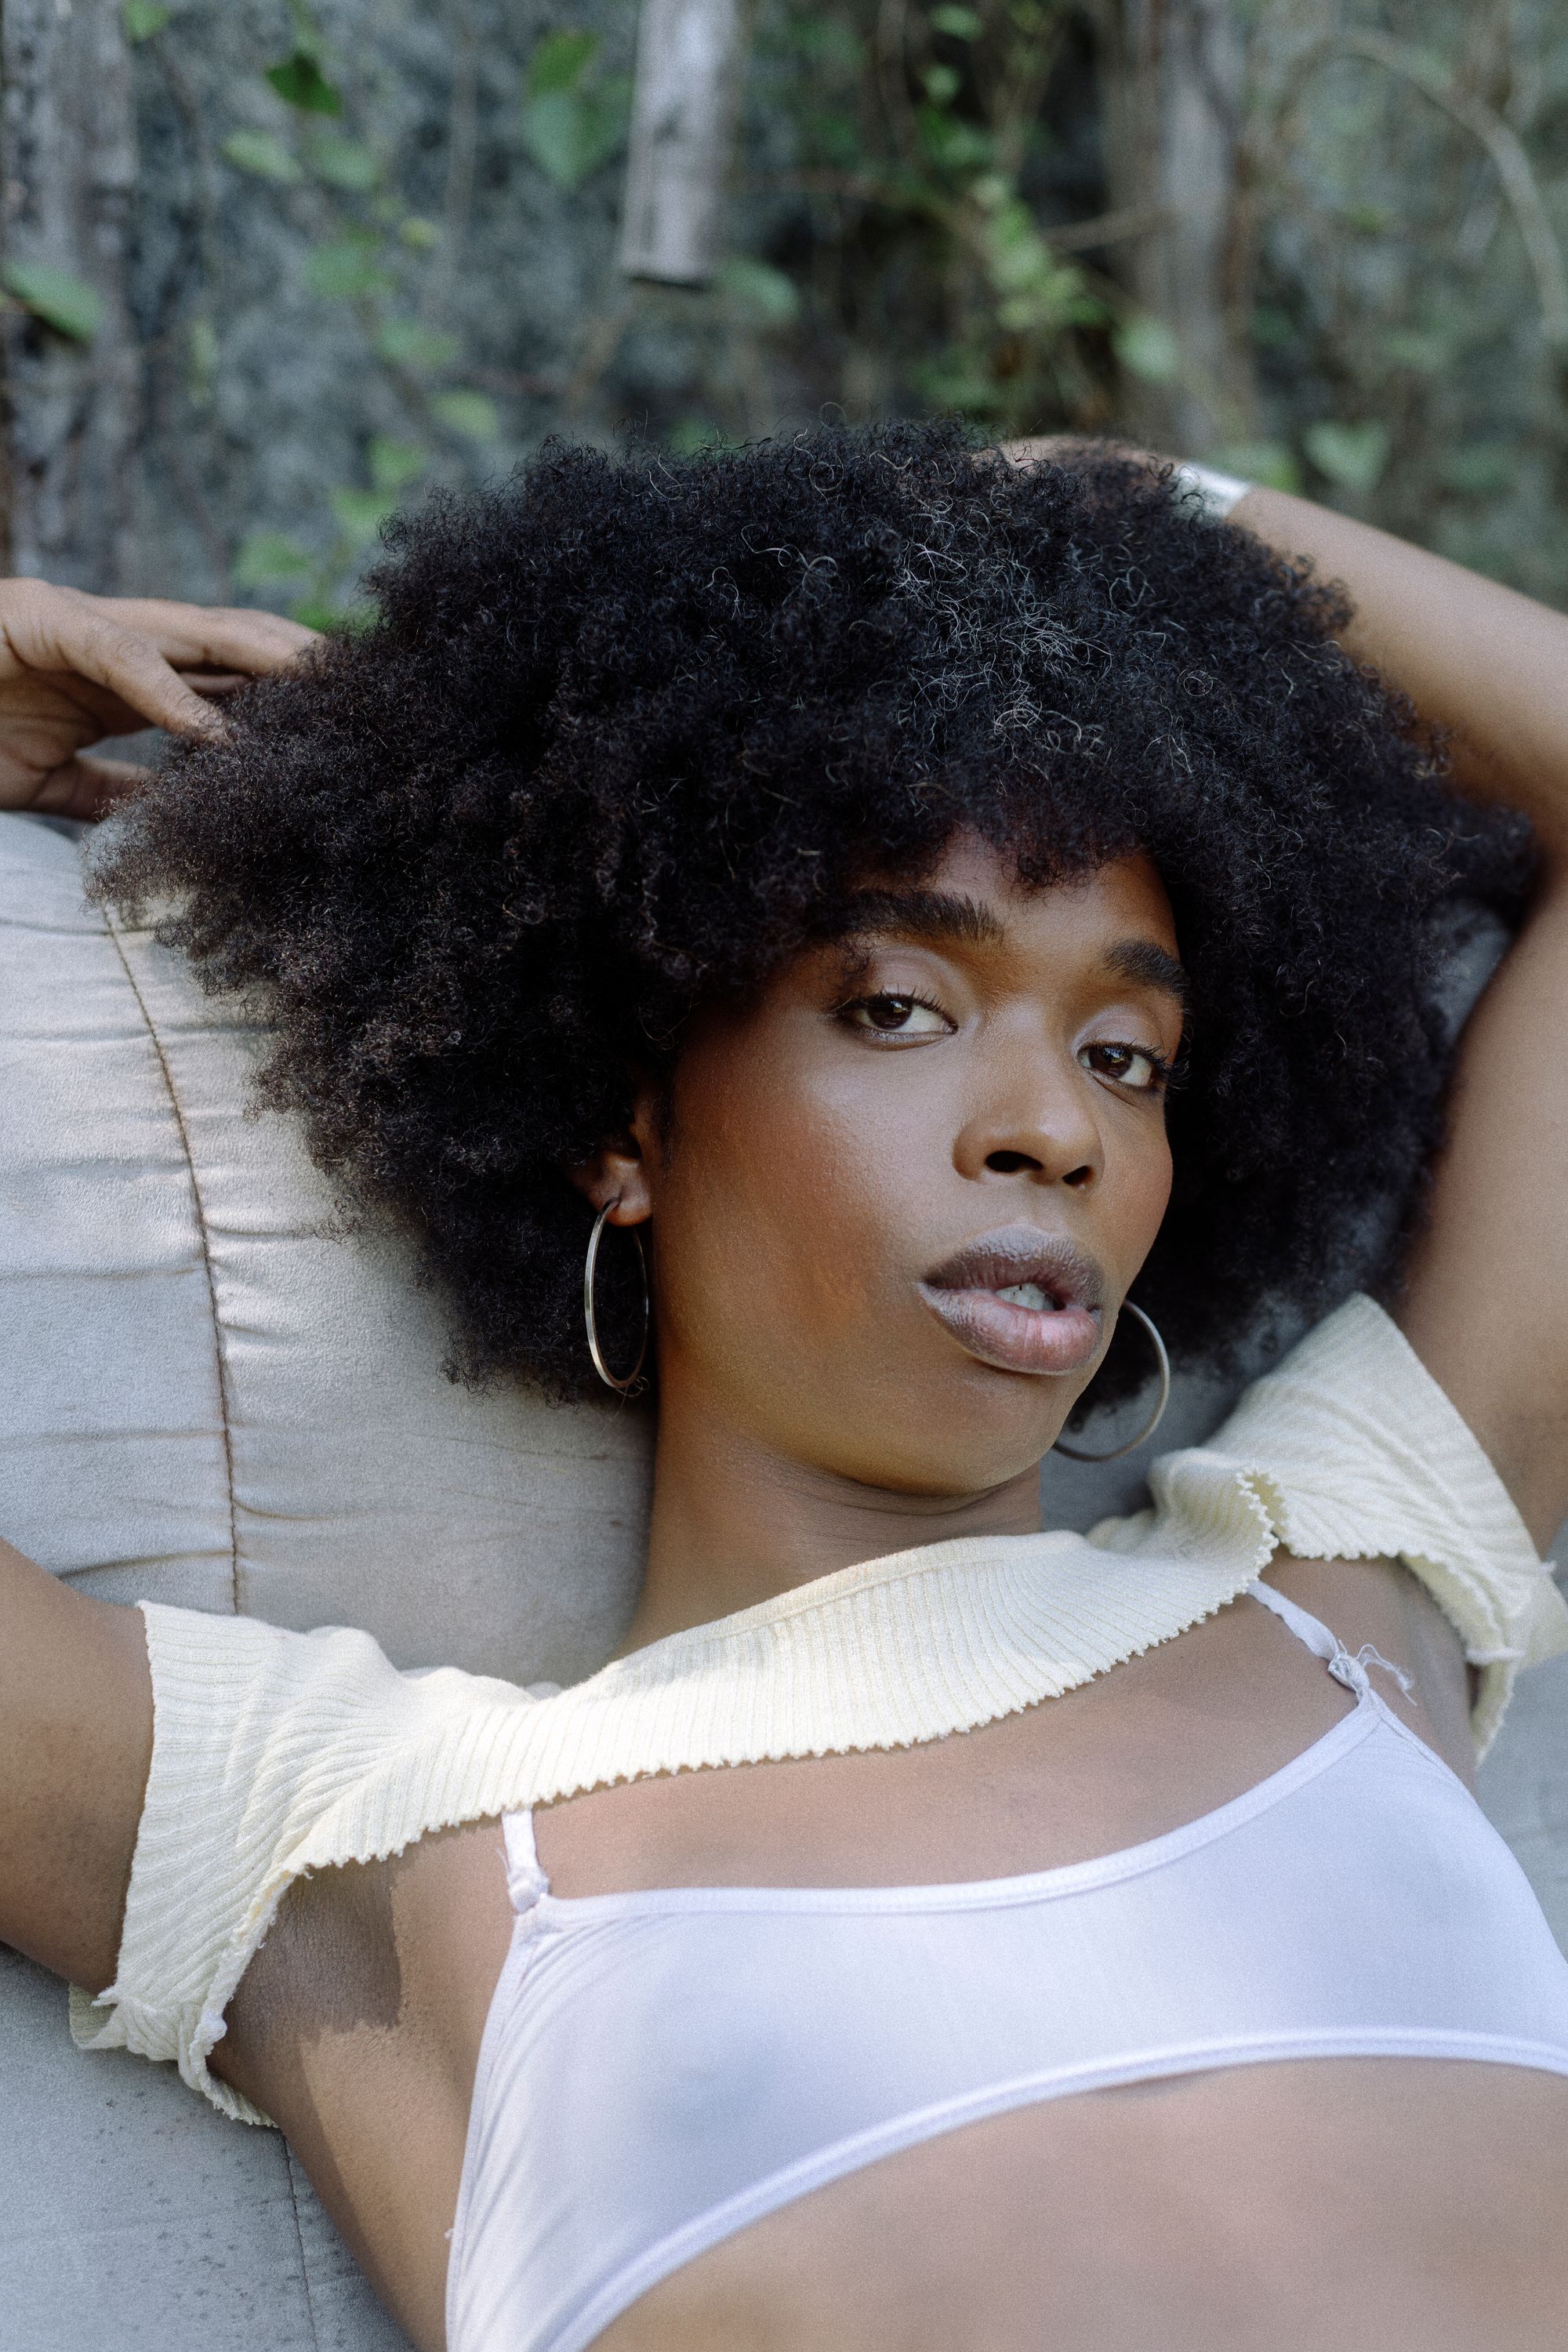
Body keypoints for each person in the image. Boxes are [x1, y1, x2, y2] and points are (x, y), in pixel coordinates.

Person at [2, 423, 1566, 2352]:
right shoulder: (355, 1850)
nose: (1051, 1129)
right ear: (622, 1122)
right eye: (899, 1006)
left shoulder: (1342, 1603)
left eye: (1129, 1053)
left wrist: (1124, 495)